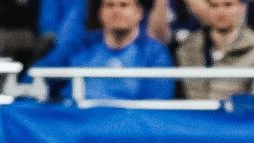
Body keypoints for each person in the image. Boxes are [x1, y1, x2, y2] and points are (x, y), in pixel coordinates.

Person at [40, 0, 176, 101]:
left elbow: (156, 105)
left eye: (124, 5)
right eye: (109, 5)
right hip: (77, 126)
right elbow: (39, 75)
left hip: (127, 131)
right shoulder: (80, 46)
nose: (116, 11)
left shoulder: (154, 54)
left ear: (139, 13)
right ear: (100, 13)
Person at [174, 0, 254, 99]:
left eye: (228, 5)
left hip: (237, 116)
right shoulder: (187, 48)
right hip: (191, 116)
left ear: (243, 8)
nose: (221, 12)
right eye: (214, 5)